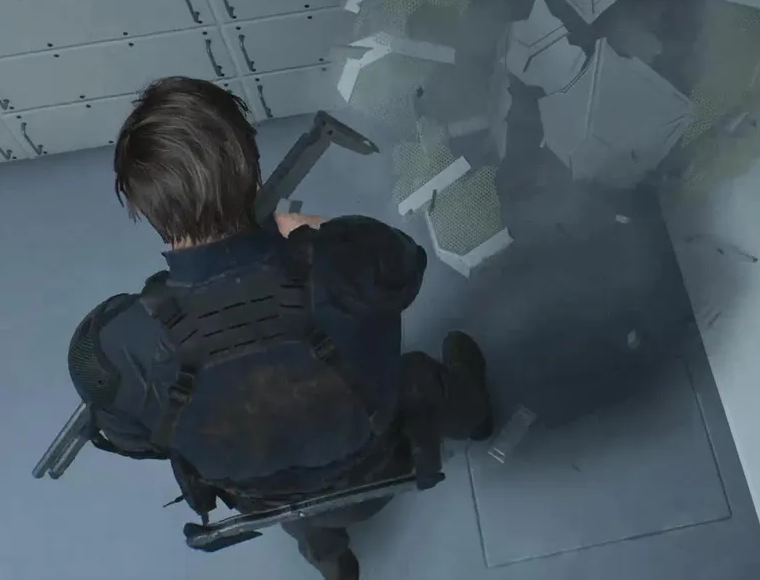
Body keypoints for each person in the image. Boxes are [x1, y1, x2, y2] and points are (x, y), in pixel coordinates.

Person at [65, 77, 494, 580]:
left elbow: (137, 440)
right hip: (377, 465)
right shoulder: (349, 260)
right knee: (419, 375)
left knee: (298, 510)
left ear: (142, 202)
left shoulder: (110, 349)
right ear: (251, 165)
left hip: (264, 499)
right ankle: (477, 416)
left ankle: (330, 560)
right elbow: (407, 265)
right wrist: (307, 232)